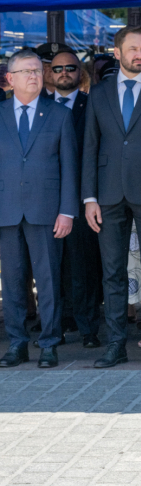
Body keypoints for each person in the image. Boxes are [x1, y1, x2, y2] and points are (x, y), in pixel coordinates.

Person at [81, 26, 141, 369]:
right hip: (107, 194)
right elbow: (90, 149)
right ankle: (115, 345)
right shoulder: (99, 93)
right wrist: (88, 198)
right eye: (134, 49)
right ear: (117, 52)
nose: (140, 54)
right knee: (112, 273)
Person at [0, 50, 78, 368]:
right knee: (13, 281)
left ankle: (49, 342)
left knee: (48, 279)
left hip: (46, 210)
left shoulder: (58, 114)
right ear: (10, 79)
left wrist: (67, 211)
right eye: (26, 71)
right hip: (6, 209)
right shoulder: (0, 113)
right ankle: (17, 343)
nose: (33, 75)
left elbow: (70, 167)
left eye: (36, 70)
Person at [51, 50, 102, 348]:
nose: (64, 73)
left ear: (80, 72)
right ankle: (56, 324)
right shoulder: (42, 107)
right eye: (58, 68)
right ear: (50, 73)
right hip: (46, 200)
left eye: (71, 68)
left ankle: (88, 328)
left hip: (84, 198)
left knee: (83, 267)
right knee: (52, 267)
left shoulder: (92, 104)